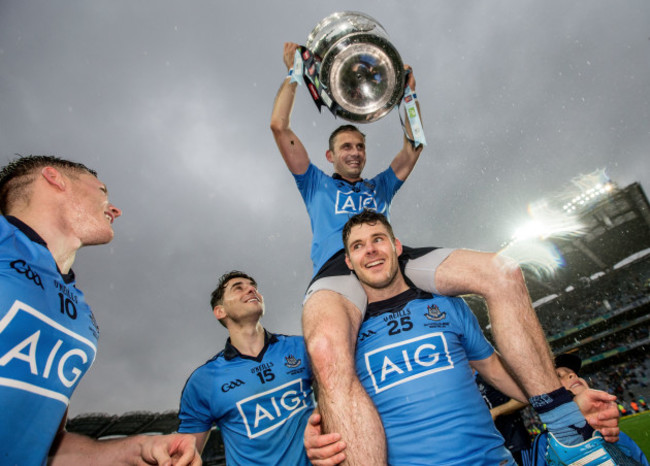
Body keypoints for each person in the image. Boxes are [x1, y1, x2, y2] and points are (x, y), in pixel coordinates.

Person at [272, 41, 610, 464]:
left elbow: (414, 146)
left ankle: (569, 429)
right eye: (346, 147)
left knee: (501, 271)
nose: (355, 152)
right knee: (324, 347)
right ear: (330, 155)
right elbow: (279, 127)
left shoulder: (379, 187)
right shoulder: (316, 183)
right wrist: (293, 74)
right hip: (338, 270)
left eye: (360, 146)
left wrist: (407, 95)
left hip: (392, 256)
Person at [304, 211, 621, 465]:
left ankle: (570, 434)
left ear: (397, 247)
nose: (370, 249)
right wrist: (315, 436)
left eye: (378, 239)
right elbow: (334, 399)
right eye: (358, 245)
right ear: (348, 262)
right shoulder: (347, 333)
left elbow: (494, 369)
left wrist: (566, 400)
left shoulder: (447, 304)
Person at [0, 155, 200, 466]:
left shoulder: (80, 313)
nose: (115, 209)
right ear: (54, 178)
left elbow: (46, 447)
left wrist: (136, 450)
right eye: (102, 189)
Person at [177, 271, 325, 465]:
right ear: (220, 311)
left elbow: (338, 393)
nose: (251, 289)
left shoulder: (300, 348)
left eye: (253, 286)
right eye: (238, 287)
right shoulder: (203, 381)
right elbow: (186, 455)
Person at [528, 353, 648, 465]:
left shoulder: (615, 434)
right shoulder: (546, 442)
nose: (572, 374)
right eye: (559, 376)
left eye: (573, 372)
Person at [476, 372, 532, 465]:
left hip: (515, 441)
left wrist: (496, 411)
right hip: (492, 448)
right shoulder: (465, 385)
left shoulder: (492, 372)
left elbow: (525, 398)